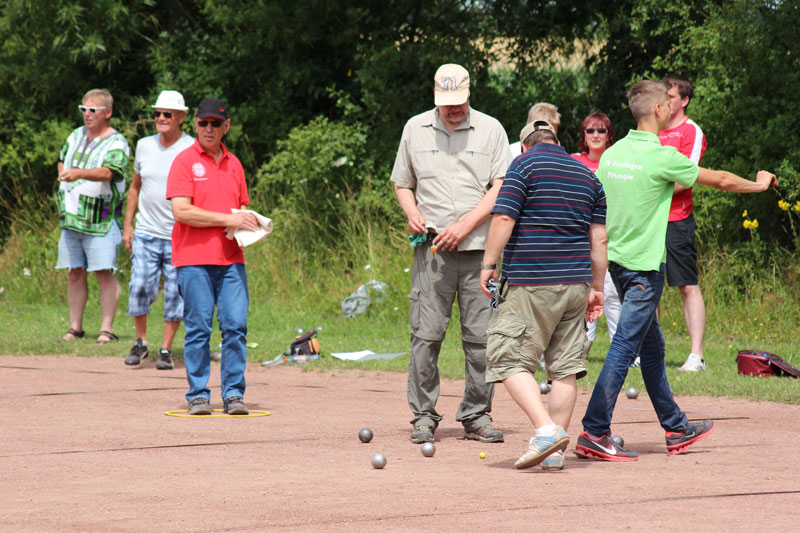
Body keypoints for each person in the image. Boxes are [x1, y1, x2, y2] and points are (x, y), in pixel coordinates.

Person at [576, 80, 777, 462]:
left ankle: (676, 427)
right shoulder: (662, 156)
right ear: (657, 110)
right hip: (643, 271)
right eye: (667, 103)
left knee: (653, 349)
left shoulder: (613, 155)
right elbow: (719, 179)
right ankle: (595, 431)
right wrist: (757, 185)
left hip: (617, 265)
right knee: (624, 347)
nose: (671, 107)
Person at [391, 63, 511, 444]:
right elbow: (402, 183)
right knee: (426, 336)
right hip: (432, 252)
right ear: (435, 96)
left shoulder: (491, 129)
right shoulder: (414, 129)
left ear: (469, 94)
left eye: (459, 101)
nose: (454, 108)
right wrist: (411, 212)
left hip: (480, 253)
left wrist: (465, 225)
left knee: (482, 338)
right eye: (447, 102)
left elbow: (500, 187)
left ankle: (477, 415)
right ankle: (423, 416)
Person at [481, 120, 607, 470]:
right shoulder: (588, 176)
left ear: (525, 146)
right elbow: (599, 240)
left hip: (531, 281)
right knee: (565, 368)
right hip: (577, 284)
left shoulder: (523, 165)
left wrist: (488, 263)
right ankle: (554, 453)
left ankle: (545, 430)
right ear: (557, 142)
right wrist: (597, 288)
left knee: (506, 359)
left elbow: (504, 218)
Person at [166, 98, 259, 416]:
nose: (209, 128)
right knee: (199, 329)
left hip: (231, 259)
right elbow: (182, 211)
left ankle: (233, 394)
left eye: (215, 123)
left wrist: (251, 222)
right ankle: (198, 395)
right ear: (195, 124)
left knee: (236, 326)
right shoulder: (184, 161)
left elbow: (239, 208)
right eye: (203, 122)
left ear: (226, 126)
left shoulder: (235, 164)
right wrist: (228, 219)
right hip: (193, 259)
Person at [122, 90, 194, 369]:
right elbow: (135, 186)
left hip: (179, 234)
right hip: (146, 231)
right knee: (139, 286)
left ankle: (166, 349)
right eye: (157, 113)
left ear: (181, 117)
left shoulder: (191, 147)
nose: (161, 118)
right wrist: (128, 225)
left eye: (168, 114)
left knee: (176, 293)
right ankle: (141, 342)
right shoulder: (144, 146)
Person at [56, 89, 130, 344]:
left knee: (103, 271)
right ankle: (75, 327)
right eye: (83, 109)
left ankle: (106, 329)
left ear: (107, 113)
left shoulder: (116, 142)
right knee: (74, 272)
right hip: (71, 217)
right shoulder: (76, 135)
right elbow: (61, 158)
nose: (87, 114)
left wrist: (78, 173)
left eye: (92, 110)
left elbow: (110, 172)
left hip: (101, 220)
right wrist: (63, 173)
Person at [659, 74, 708, 372]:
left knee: (687, 285)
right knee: (645, 286)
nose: (666, 102)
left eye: (671, 97)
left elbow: (687, 176)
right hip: (648, 220)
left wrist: (651, 191)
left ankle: (696, 356)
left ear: (684, 100)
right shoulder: (654, 128)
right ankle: (645, 353)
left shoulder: (691, 130)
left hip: (677, 219)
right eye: (663, 97)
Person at [571, 113, 621, 359]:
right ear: (583, 135)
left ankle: (622, 351)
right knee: (581, 293)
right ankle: (581, 347)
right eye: (590, 131)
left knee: (611, 294)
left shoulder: (617, 161)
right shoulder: (573, 161)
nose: (595, 135)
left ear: (609, 134)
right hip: (579, 236)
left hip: (609, 234)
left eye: (601, 130)